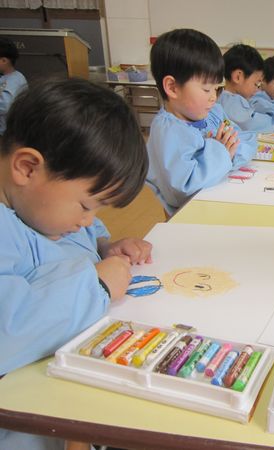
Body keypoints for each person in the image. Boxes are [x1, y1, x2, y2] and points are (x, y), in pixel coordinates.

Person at [0, 78, 152, 449]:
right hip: (28, 428)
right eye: (85, 206)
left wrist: (105, 246)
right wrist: (96, 286)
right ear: (27, 167)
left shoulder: (40, 207)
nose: (87, 220)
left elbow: (78, 236)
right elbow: (9, 329)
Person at [146, 29, 257, 216]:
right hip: (190, 216)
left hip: (220, 200)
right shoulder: (169, 131)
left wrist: (228, 157)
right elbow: (184, 188)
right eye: (206, 89)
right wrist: (223, 153)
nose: (213, 97)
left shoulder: (213, 113)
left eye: (216, 88)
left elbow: (246, 140)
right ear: (172, 87)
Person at [217, 44, 274, 132]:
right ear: (238, 77)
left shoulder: (223, 96)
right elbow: (251, 123)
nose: (257, 89)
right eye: (256, 84)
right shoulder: (231, 101)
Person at [0, 37, 27, 135]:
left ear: (4, 60)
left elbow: (5, 106)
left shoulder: (15, 80)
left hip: (6, 133)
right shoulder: (4, 77)